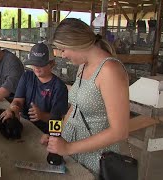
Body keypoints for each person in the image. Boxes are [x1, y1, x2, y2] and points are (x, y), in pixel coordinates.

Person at [42, 18, 129, 175]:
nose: (62, 55)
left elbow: (120, 131)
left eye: (63, 49)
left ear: (75, 43)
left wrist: (68, 147)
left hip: (96, 157)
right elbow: (75, 108)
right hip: (73, 150)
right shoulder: (83, 65)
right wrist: (56, 136)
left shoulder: (110, 70)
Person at [0, 42, 68, 134]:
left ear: (52, 63)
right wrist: (13, 109)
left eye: (41, 64)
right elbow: (18, 100)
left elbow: (59, 118)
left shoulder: (59, 87)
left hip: (44, 131)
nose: (36, 67)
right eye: (34, 63)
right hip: (26, 125)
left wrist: (52, 136)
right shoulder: (27, 76)